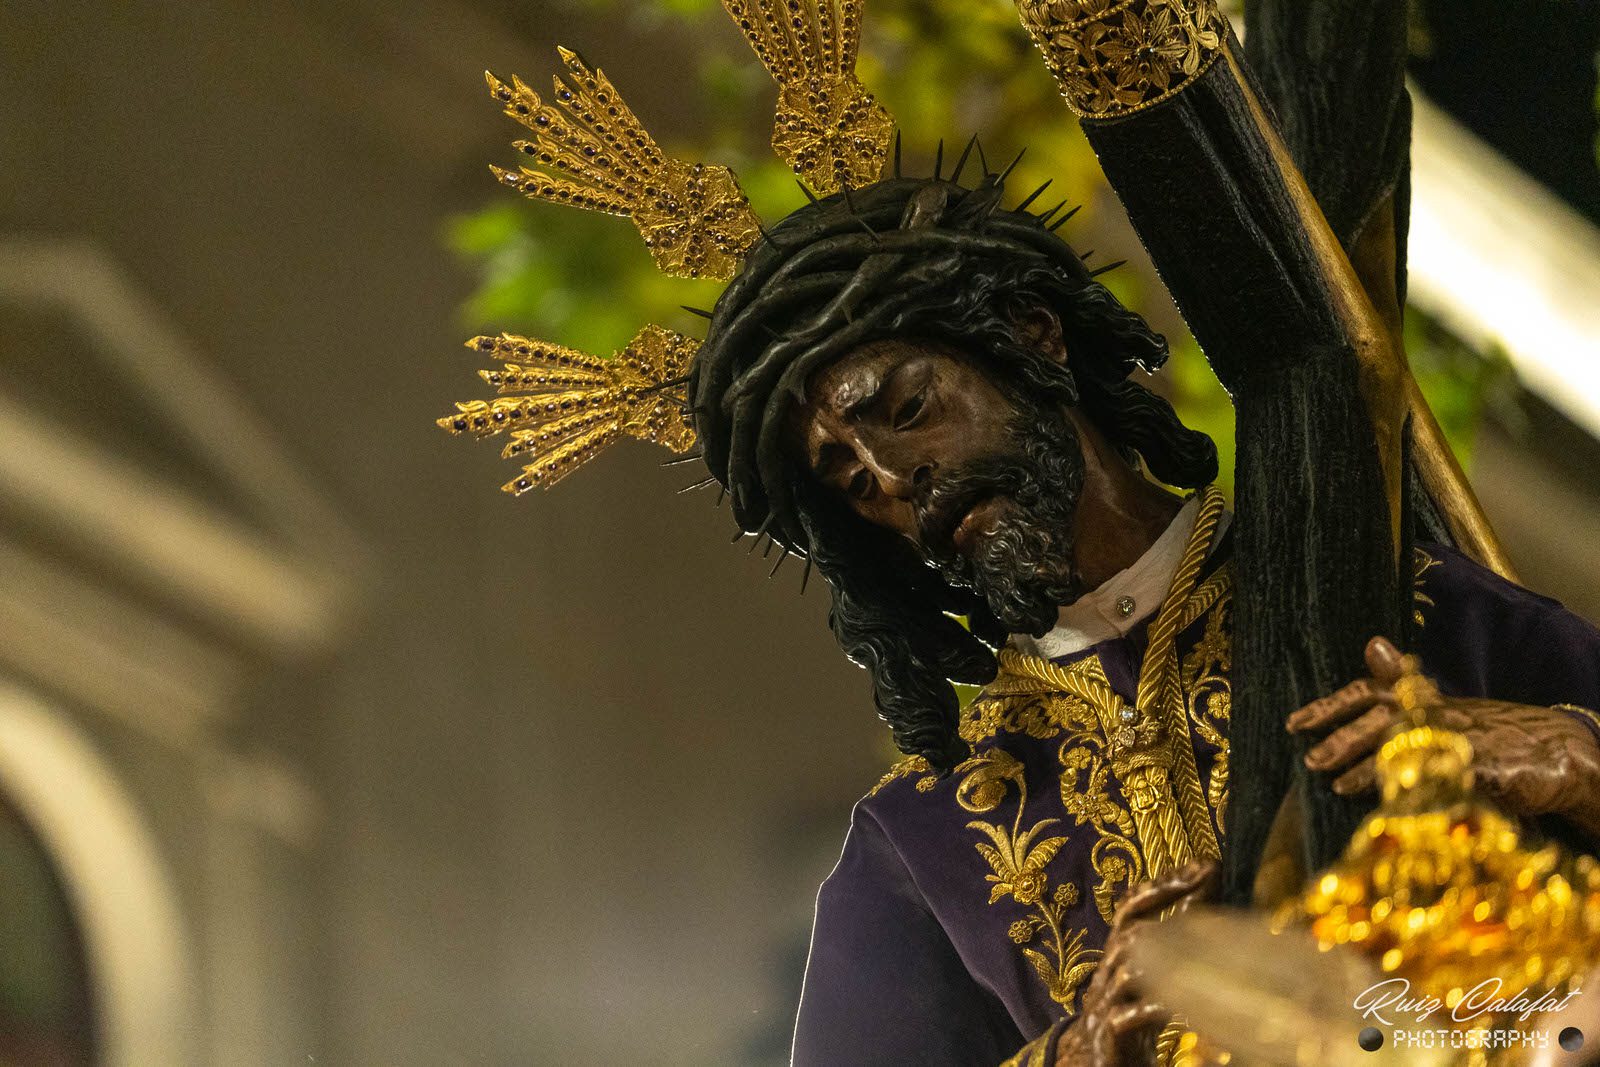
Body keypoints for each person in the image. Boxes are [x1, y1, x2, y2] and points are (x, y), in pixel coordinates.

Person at [679, 173, 1600, 1065]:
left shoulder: (1408, 605)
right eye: (851, 484)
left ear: (1032, 335)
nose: (890, 477)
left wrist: (1577, 758)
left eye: (909, 409)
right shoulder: (923, 843)